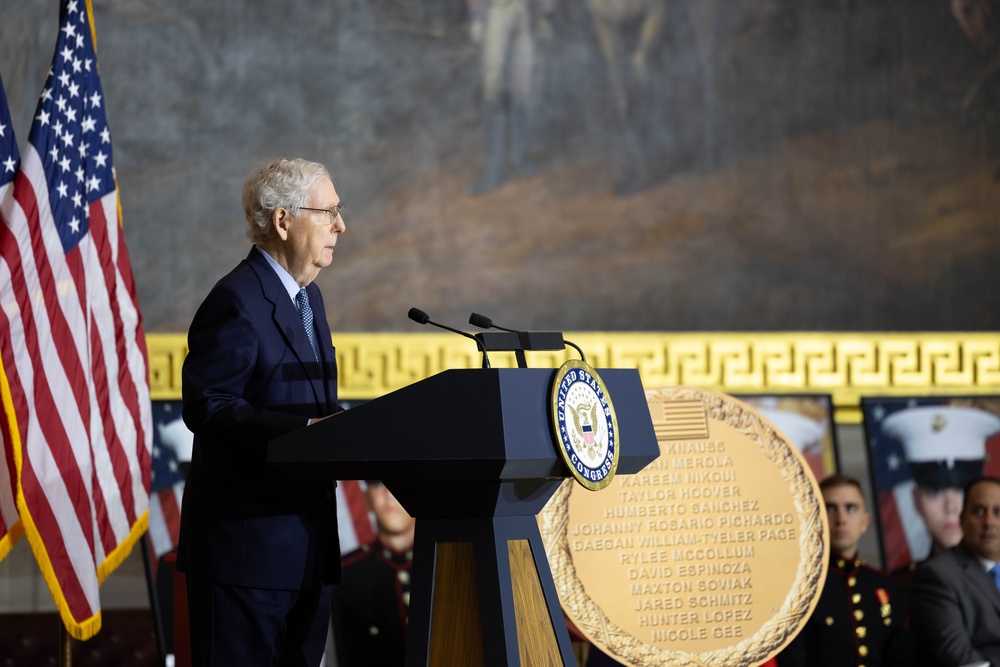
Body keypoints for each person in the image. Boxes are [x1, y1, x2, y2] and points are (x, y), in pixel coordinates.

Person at [176, 157, 347, 666]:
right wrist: (308, 430)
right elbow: (209, 405)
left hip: (306, 554)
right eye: (328, 212)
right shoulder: (236, 300)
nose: (341, 225)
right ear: (282, 221)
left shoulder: (308, 299)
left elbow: (309, 403)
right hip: (245, 558)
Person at [776, 474, 911, 667]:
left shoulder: (884, 585)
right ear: (814, 519)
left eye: (851, 508)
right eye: (830, 508)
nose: (841, 519)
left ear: (865, 522)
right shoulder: (800, 588)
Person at [881, 405, 1000, 578]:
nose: (951, 507)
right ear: (916, 501)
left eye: (961, 491)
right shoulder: (901, 587)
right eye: (934, 492)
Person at [909, 476, 1000, 666]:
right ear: (962, 519)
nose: (990, 522)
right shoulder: (936, 576)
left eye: (998, 512)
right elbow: (959, 659)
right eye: (979, 511)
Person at [334, 481, 416, 666]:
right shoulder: (346, 576)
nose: (389, 494)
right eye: (378, 484)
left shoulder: (450, 566)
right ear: (366, 498)